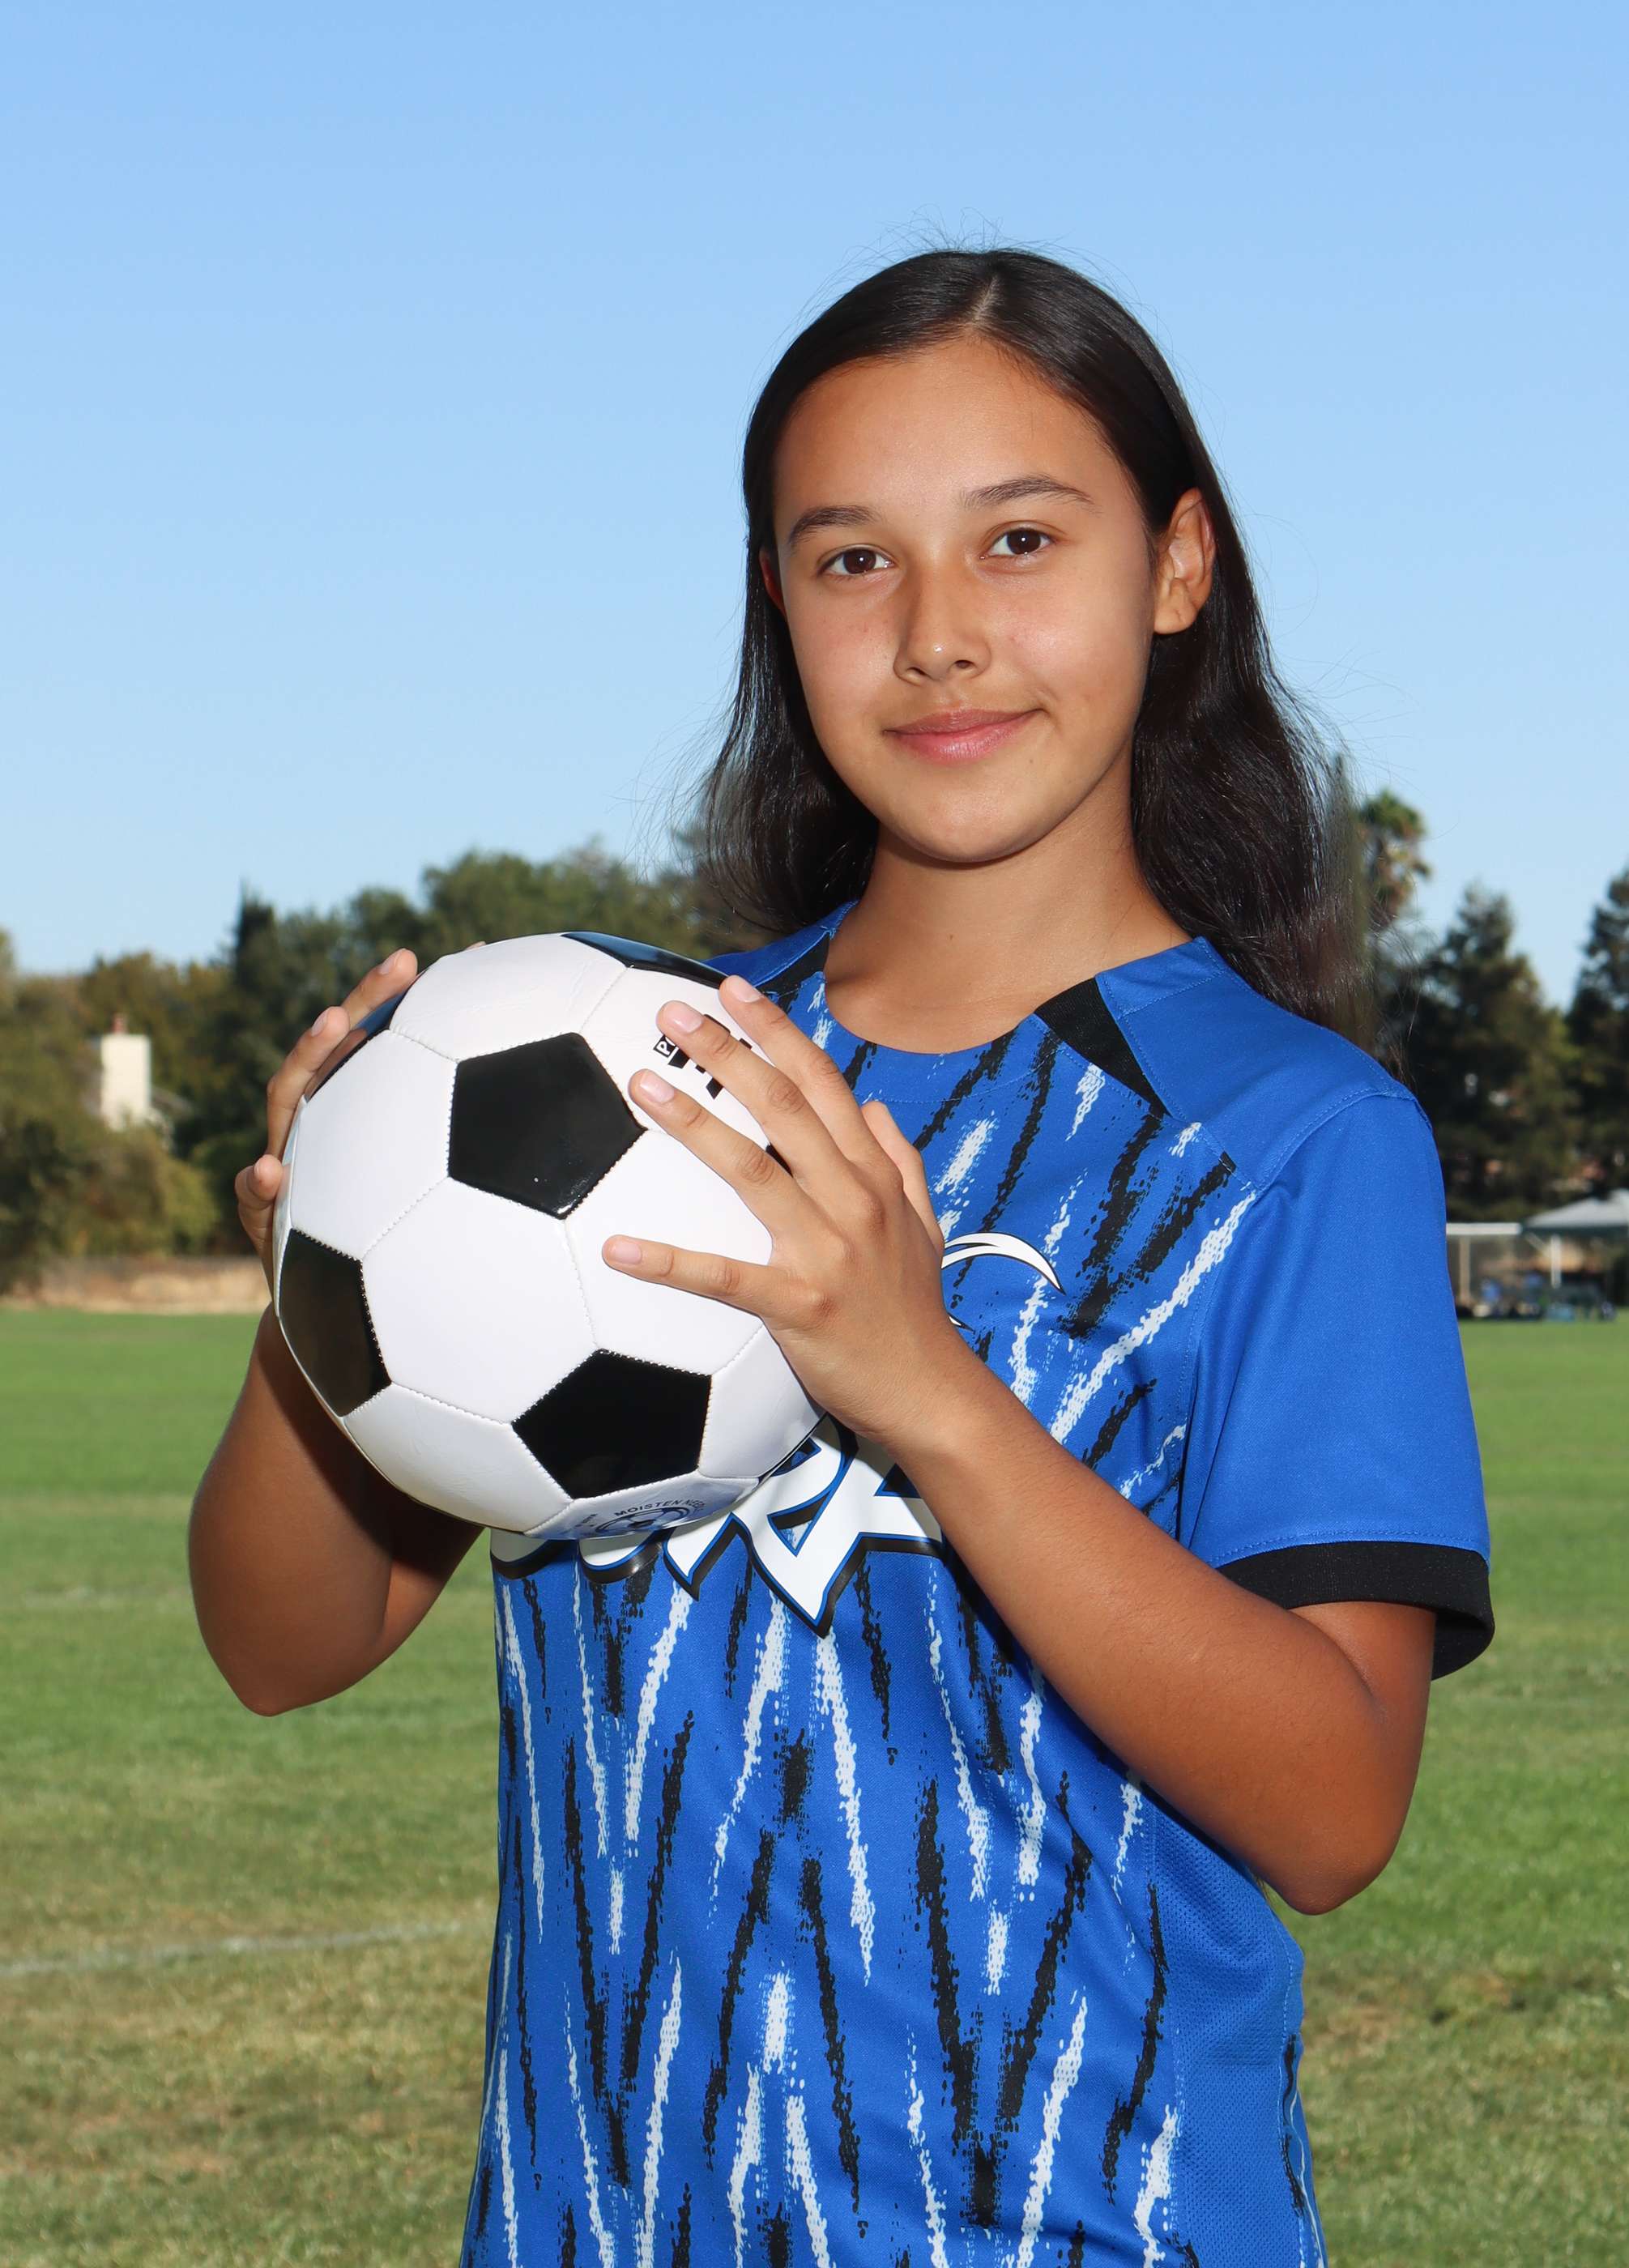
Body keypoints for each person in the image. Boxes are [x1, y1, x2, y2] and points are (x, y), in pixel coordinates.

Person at [192, 249, 1492, 2265]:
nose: (939, 633)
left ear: (1175, 564)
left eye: (1019, 539)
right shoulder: (635, 1070)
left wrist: (931, 1391)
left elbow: (1333, 1808)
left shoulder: (1295, 1137)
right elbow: (284, 1644)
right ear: (776, 602)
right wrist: (325, 1283)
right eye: (852, 559)